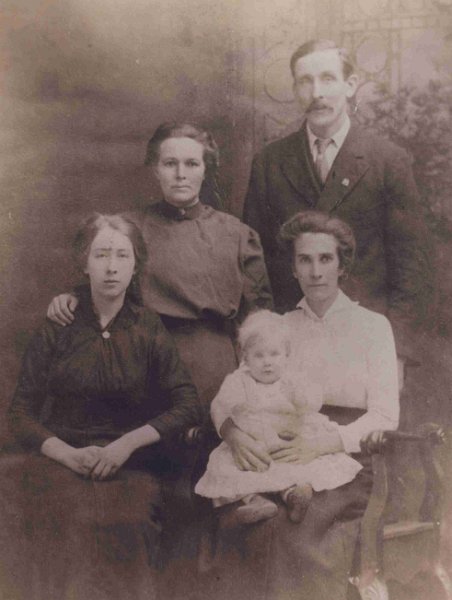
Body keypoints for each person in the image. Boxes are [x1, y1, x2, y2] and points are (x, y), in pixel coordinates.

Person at [0, 213, 203, 600]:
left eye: (122, 256)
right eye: (101, 255)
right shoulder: (59, 325)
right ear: (84, 263)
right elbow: (19, 413)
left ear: (135, 265)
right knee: (57, 525)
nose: (111, 267)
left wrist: (126, 445)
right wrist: (66, 454)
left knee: (131, 526)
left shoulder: (148, 326)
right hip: (62, 462)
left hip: (133, 464)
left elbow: (188, 403)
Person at [201, 211, 399, 600]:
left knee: (297, 528)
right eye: (304, 260)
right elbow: (237, 389)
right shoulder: (279, 328)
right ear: (292, 268)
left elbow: (385, 415)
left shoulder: (373, 326)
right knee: (256, 525)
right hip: (277, 453)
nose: (315, 271)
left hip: (347, 455)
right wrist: (234, 434)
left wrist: (326, 443)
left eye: (326, 259)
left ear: (342, 266)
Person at [242, 38, 433, 382]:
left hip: (365, 341)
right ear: (295, 89)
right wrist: (265, 339)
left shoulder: (387, 161)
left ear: (351, 85)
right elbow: (253, 262)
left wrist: (398, 351)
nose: (317, 92)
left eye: (328, 78)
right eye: (305, 81)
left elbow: (412, 264)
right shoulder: (270, 163)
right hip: (289, 345)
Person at [47, 122, 273, 407]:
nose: (180, 174)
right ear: (155, 169)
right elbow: (104, 280)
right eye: (170, 163)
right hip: (142, 363)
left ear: (206, 169)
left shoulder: (237, 235)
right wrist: (72, 297)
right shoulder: (127, 227)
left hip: (213, 368)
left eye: (191, 164)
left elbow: (261, 319)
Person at [195, 309, 362, 526]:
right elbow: (220, 407)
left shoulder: (292, 380)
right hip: (254, 446)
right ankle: (256, 502)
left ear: (286, 355)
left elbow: (312, 404)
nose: (267, 362)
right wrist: (230, 433)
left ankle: (294, 495)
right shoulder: (240, 381)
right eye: (259, 355)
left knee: (294, 469)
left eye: (274, 354)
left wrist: (299, 395)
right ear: (245, 357)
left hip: (286, 443)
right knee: (229, 470)